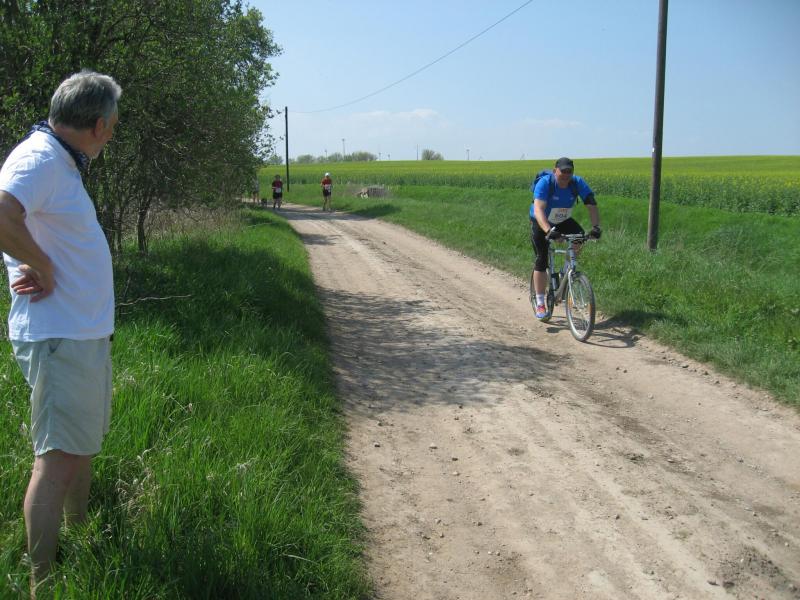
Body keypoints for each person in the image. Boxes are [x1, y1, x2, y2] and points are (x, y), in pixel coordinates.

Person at [0, 70, 121, 590]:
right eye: (112, 125)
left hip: (78, 335)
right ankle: (42, 584)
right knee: (55, 462)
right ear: (98, 125)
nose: (111, 135)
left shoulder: (57, 161)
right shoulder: (40, 159)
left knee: (79, 447)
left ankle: (80, 537)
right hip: (60, 338)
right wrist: (43, 266)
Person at [529, 157, 601, 320]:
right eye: (563, 171)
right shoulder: (545, 183)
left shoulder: (577, 183)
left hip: (562, 219)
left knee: (579, 237)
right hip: (541, 221)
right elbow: (539, 209)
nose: (566, 175)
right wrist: (549, 231)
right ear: (555, 171)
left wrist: (596, 227)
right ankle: (540, 303)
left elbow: (591, 204)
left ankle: (566, 271)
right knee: (541, 259)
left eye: (570, 171)